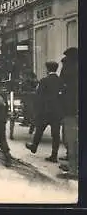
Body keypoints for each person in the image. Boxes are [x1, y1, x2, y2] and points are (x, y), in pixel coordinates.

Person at [26, 61, 63, 163]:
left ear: (48, 69)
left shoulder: (44, 81)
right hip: (57, 111)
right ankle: (54, 155)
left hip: (46, 111)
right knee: (55, 134)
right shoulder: (60, 81)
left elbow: (39, 97)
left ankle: (34, 146)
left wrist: (37, 110)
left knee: (39, 129)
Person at [57, 48, 78, 180]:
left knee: (71, 138)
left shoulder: (69, 68)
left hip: (70, 108)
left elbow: (61, 85)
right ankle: (72, 164)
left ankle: (73, 169)